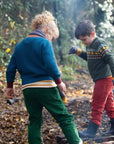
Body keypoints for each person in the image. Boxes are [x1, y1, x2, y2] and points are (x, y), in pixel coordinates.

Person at [6, 11, 82, 144]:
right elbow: (50, 65)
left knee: (34, 119)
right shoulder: (44, 43)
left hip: (28, 89)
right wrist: (59, 82)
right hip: (46, 87)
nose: (51, 40)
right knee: (64, 117)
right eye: (52, 37)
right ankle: (76, 141)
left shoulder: (19, 46)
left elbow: (11, 68)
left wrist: (9, 87)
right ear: (47, 29)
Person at [69, 20, 114, 139]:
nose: (83, 42)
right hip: (101, 79)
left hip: (104, 79)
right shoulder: (90, 46)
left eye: (84, 39)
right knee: (109, 105)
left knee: (97, 104)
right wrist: (78, 51)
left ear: (92, 34)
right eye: (81, 40)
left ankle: (91, 131)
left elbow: (111, 59)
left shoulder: (100, 44)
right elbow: (89, 57)